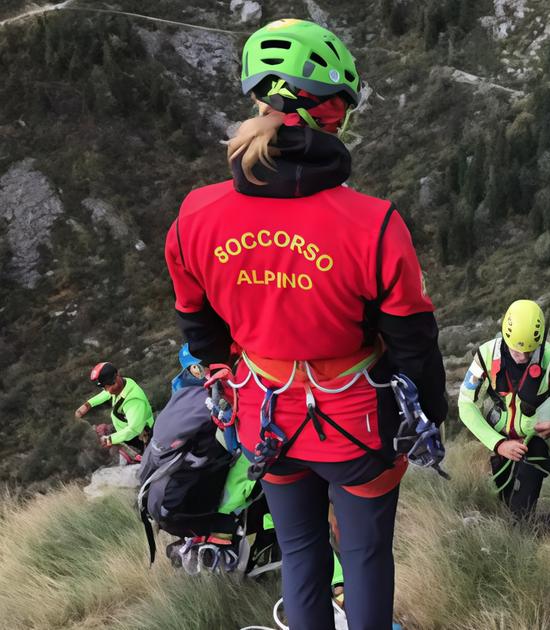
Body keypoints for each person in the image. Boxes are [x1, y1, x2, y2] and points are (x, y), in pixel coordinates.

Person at [164, 18, 446, 630]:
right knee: (366, 556)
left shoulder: (197, 214)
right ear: (326, 114)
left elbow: (198, 322)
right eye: (342, 107)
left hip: (265, 416)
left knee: (300, 551)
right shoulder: (371, 224)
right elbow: (412, 341)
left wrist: (227, 365)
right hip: (356, 423)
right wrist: (428, 415)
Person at [459, 299, 550, 528]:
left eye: (529, 351)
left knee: (519, 524)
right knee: (510, 510)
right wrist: (499, 444)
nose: (522, 357)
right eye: (515, 350)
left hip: (536, 442)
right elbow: (466, 404)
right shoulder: (486, 356)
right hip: (501, 443)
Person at [75, 361, 155, 462]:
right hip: (124, 427)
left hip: (140, 436)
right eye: (104, 387)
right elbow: (106, 394)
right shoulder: (123, 384)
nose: (107, 390)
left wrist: (110, 440)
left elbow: (134, 430)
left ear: (115, 380)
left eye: (107, 387)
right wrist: (88, 405)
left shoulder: (133, 401)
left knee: (116, 454)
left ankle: (135, 457)